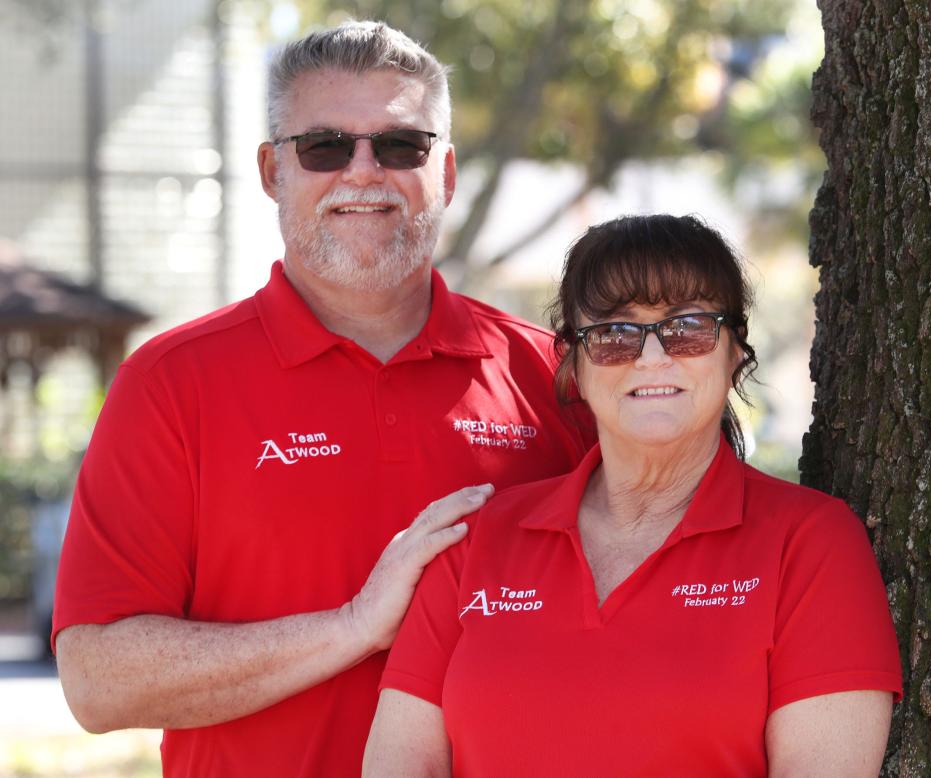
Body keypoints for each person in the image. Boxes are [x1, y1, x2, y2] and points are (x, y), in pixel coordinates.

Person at [53, 21, 592, 777]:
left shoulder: (556, 378)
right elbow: (96, 681)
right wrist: (353, 628)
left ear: (446, 172)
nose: (364, 173)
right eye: (325, 147)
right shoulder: (172, 384)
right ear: (274, 171)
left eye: (402, 146)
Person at [365, 214, 903, 776]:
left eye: (688, 326)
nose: (652, 358)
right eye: (615, 335)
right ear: (573, 362)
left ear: (735, 351)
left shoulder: (812, 541)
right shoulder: (473, 540)